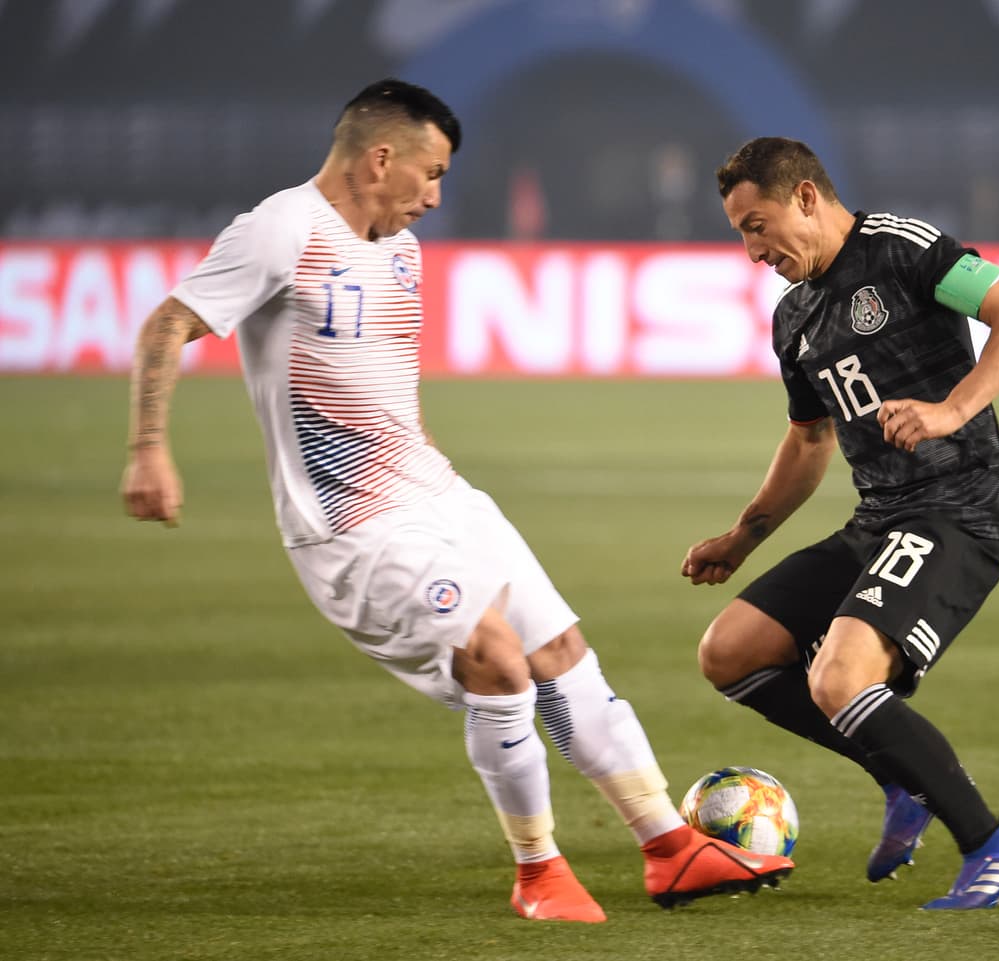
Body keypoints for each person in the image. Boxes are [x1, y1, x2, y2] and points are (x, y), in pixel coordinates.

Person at [119, 78, 792, 924]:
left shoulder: (401, 253)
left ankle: (669, 845)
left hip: (439, 497)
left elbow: (392, 390)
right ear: (380, 157)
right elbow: (166, 324)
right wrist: (149, 449)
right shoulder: (281, 229)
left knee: (562, 653)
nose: (436, 196)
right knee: (495, 657)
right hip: (352, 528)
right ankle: (538, 871)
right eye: (430, 173)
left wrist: (443, 487)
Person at [682, 137, 999, 910]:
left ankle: (995, 847)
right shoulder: (795, 318)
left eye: (758, 224)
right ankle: (899, 775)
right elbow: (809, 439)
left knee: (839, 677)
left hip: (959, 506)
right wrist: (742, 536)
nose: (752, 250)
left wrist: (952, 410)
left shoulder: (904, 249)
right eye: (741, 234)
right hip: (880, 517)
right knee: (729, 651)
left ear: (807, 197)